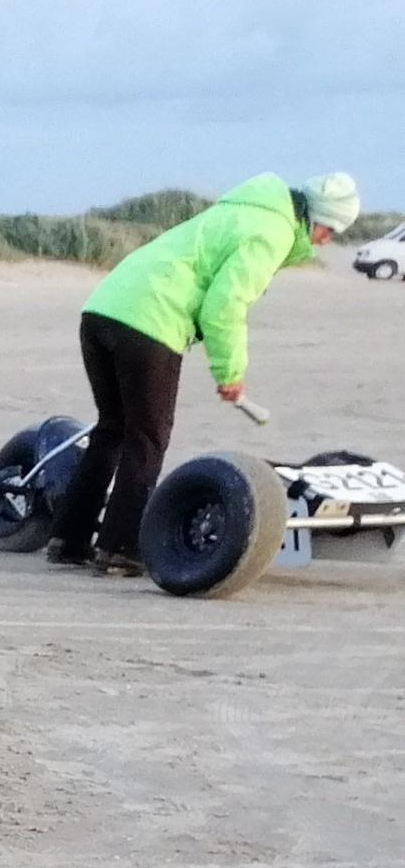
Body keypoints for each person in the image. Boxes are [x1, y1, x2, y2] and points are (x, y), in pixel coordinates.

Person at [48, 172, 361, 574]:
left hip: (102, 310)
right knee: (147, 437)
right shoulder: (272, 232)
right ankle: (120, 548)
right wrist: (230, 373)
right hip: (151, 321)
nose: (326, 240)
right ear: (315, 218)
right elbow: (224, 306)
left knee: (113, 429)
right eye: (329, 230)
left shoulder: (243, 209)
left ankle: (68, 538)